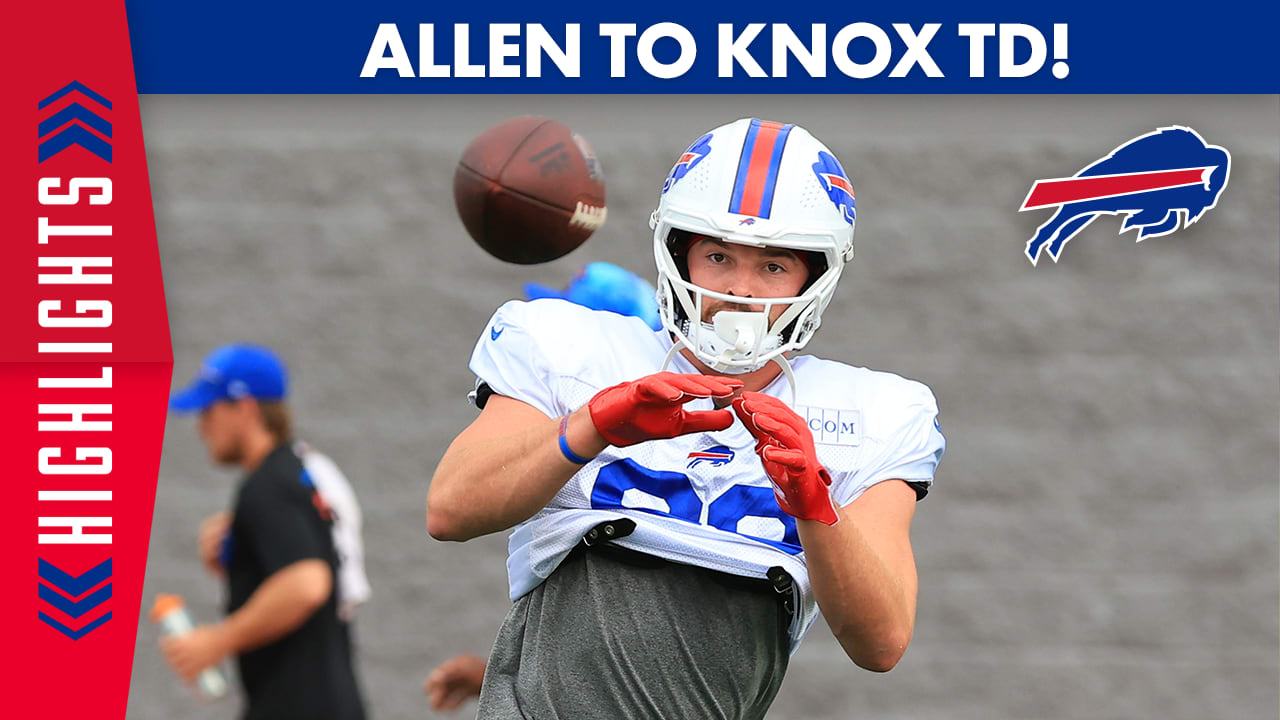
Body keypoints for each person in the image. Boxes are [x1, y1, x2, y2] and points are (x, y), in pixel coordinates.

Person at [427, 118, 945, 719]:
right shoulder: (573, 350)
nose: (741, 290)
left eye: (773, 266)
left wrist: (814, 502)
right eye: (718, 256)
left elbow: (881, 642)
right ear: (679, 255)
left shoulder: (877, 412)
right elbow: (451, 509)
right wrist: (593, 426)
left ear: (816, 276)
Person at [162, 344, 367, 720]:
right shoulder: (299, 473)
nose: (201, 426)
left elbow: (307, 582)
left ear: (246, 409)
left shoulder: (268, 486)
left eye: (209, 410)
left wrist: (216, 641)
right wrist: (242, 552)